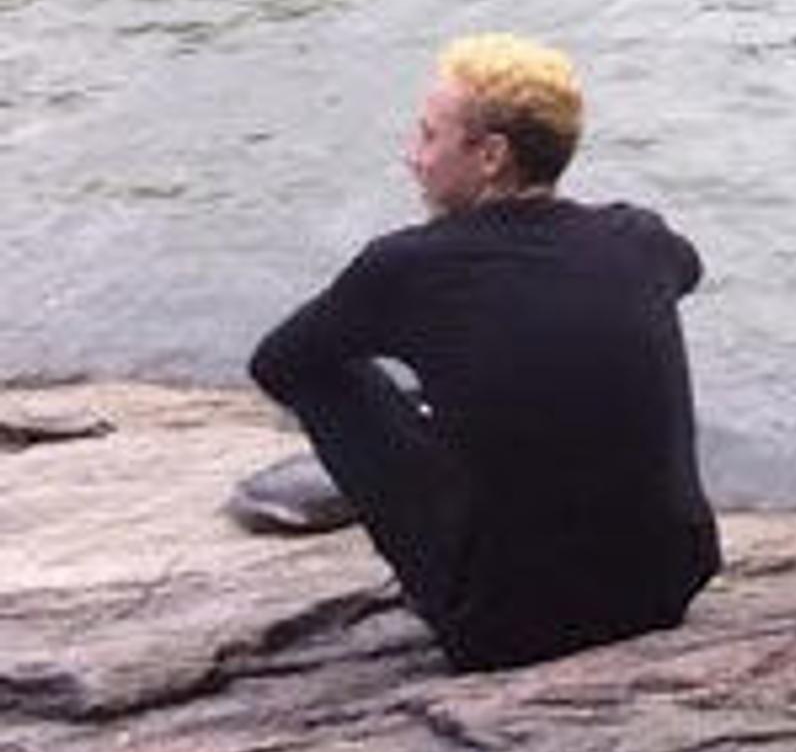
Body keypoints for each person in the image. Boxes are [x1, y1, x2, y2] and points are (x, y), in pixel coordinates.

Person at [237, 34, 721, 675]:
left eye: (429, 137)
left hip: (505, 628)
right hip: (666, 588)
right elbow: (684, 273)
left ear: (492, 155)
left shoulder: (408, 266)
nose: (413, 157)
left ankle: (440, 459)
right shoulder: (639, 237)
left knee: (327, 378)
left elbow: (279, 364)